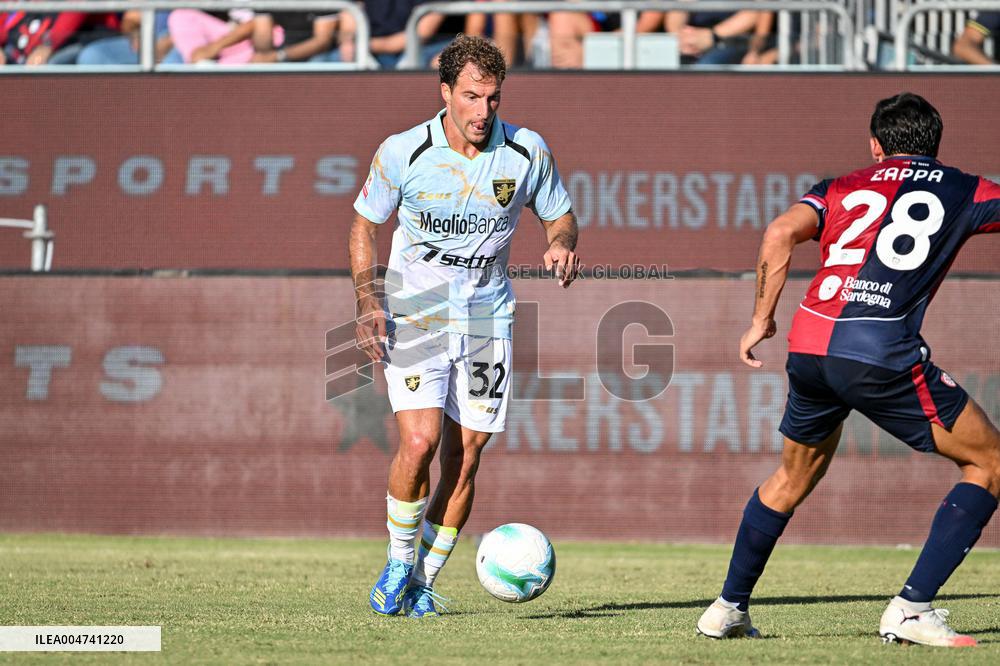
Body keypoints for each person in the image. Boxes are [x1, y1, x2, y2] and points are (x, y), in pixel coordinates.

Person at [696, 92, 1000, 647]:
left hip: (810, 345)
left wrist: (761, 320)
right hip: (879, 350)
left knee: (791, 478)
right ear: (936, 144)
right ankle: (911, 610)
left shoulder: (837, 187)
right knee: (990, 462)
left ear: (876, 145)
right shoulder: (964, 187)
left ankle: (727, 608)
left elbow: (778, 233)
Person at [350, 34, 578, 617]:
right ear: (445, 92)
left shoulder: (525, 151)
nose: (483, 111)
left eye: (493, 98)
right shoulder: (404, 151)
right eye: (472, 97)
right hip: (416, 310)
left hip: (487, 317)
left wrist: (560, 243)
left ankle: (422, 583)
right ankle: (399, 562)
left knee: (466, 455)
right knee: (419, 442)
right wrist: (367, 299)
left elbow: (561, 216)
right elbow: (364, 224)